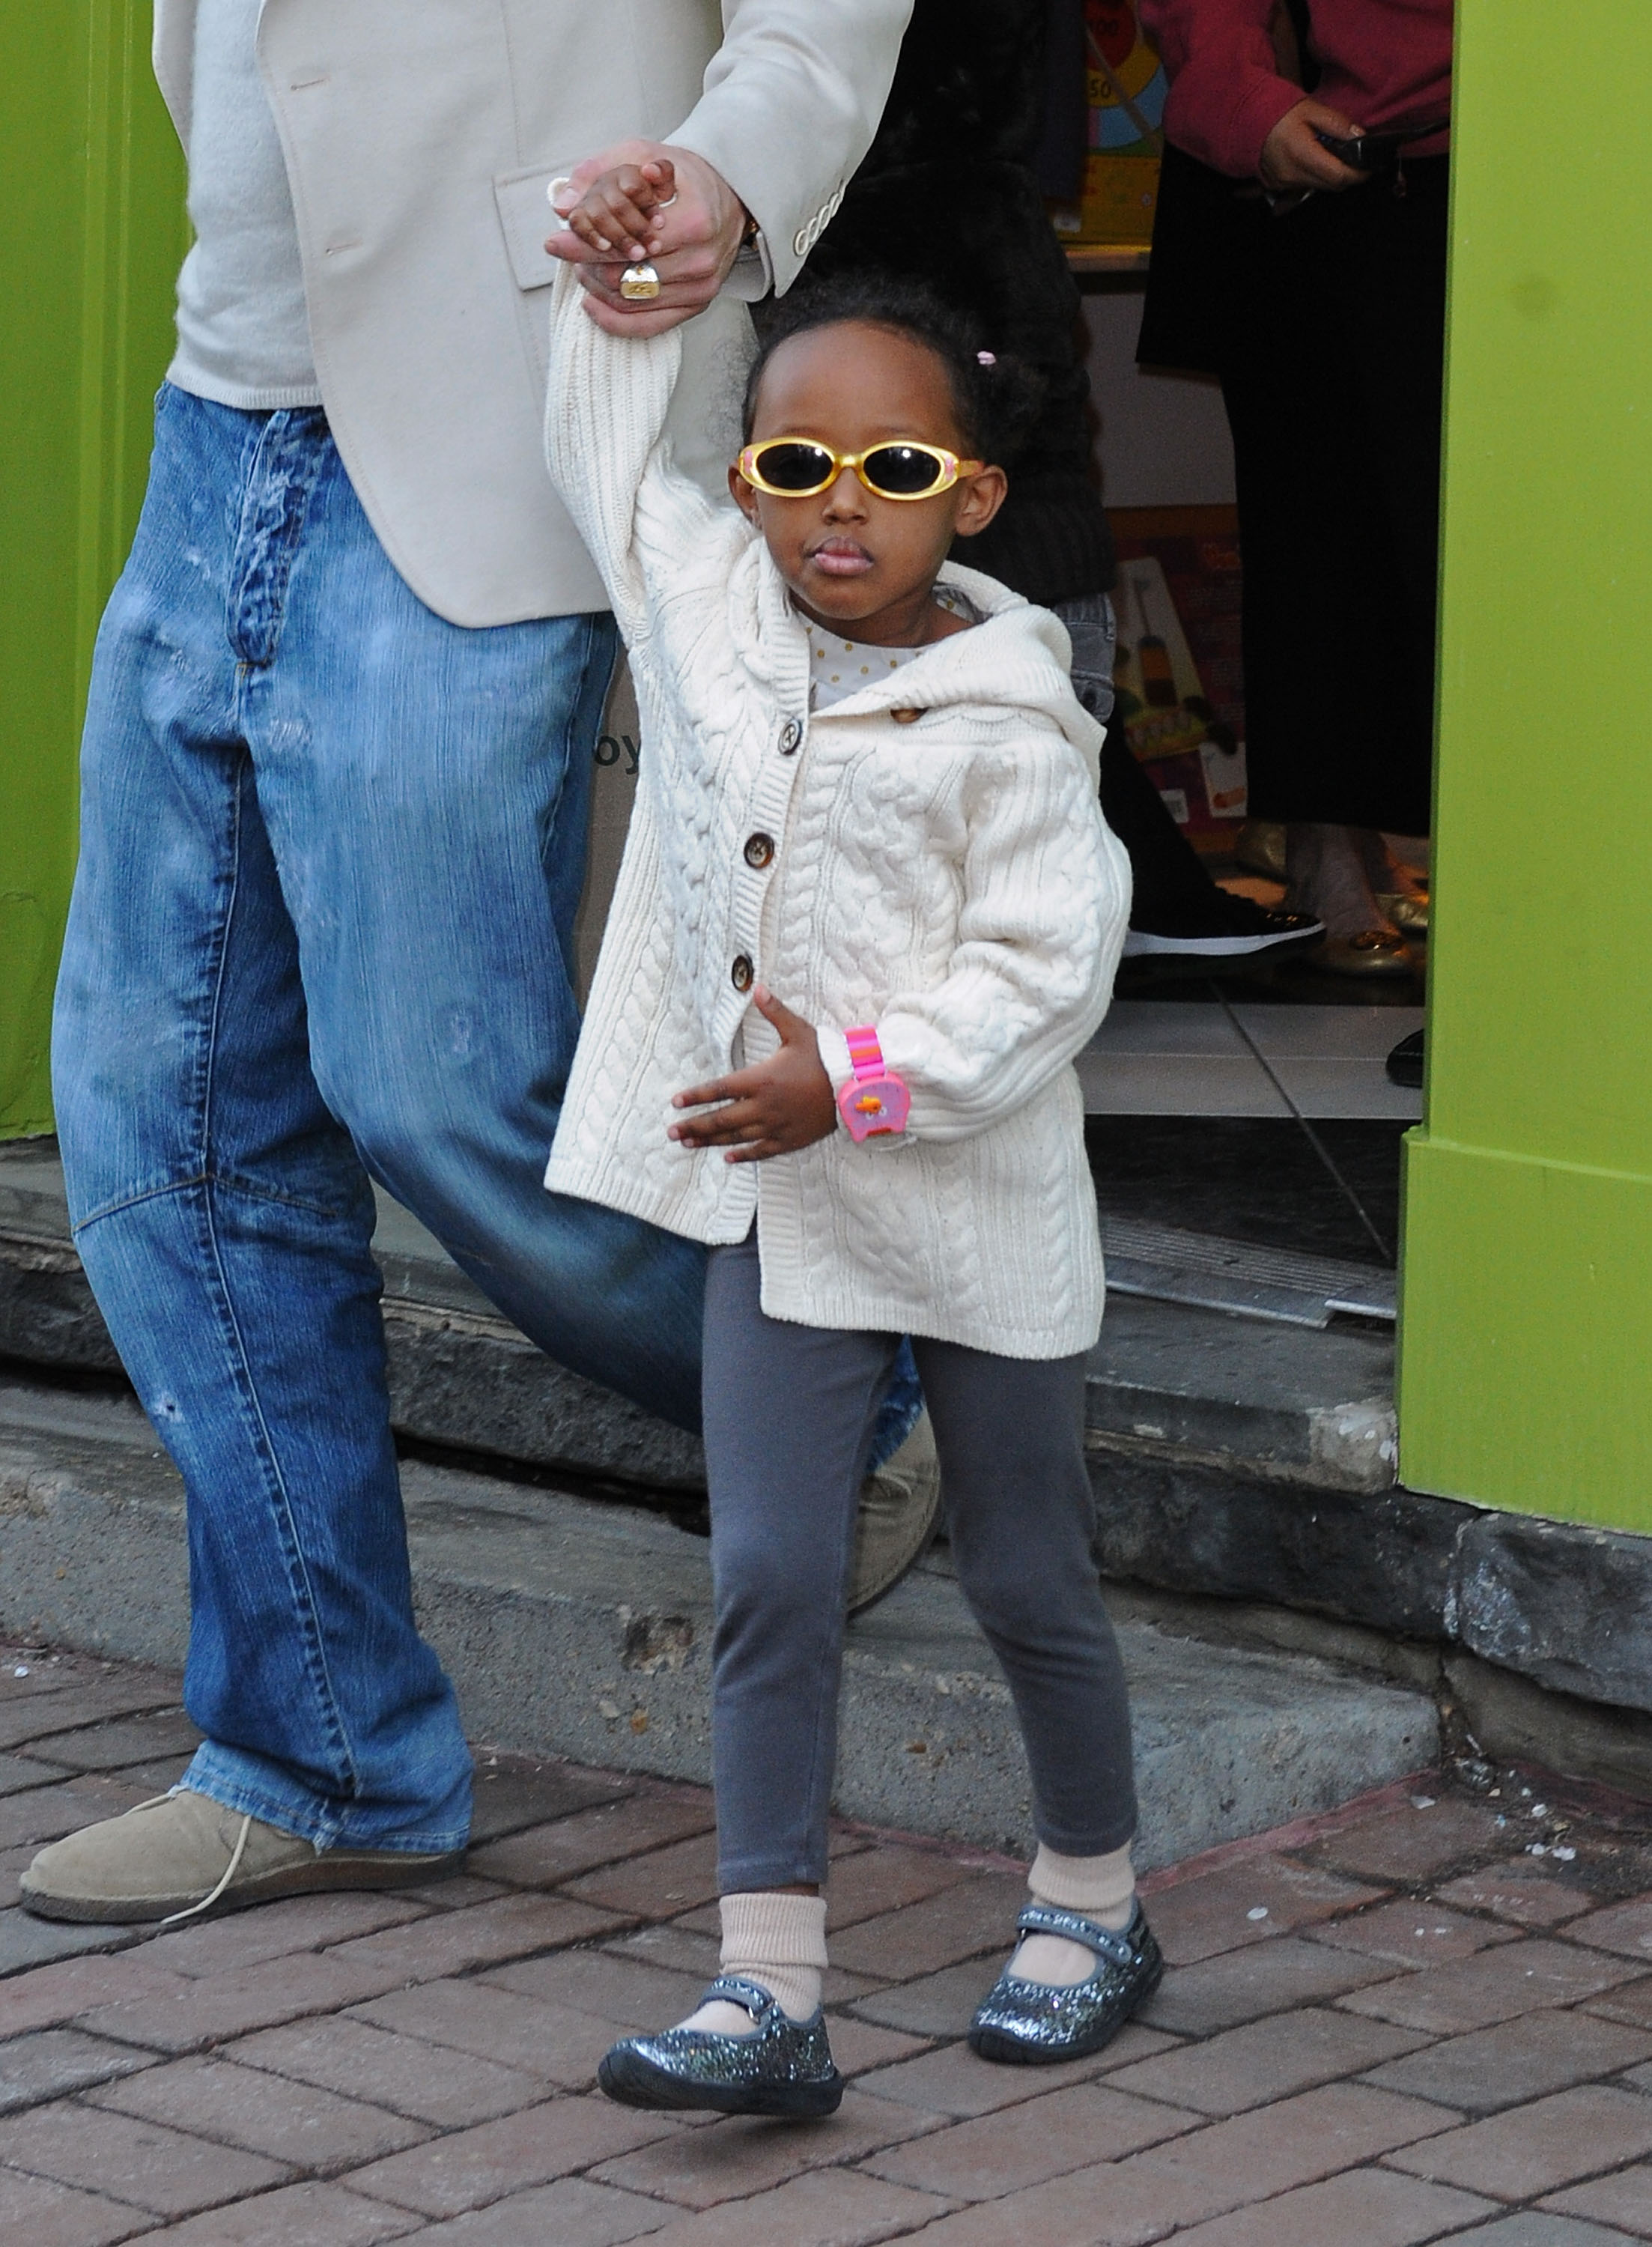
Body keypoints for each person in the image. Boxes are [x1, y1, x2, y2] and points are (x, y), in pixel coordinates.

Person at [20, 0, 915, 1930]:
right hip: (223, 413)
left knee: (439, 1078)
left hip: (506, 393)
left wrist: (734, 170)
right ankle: (319, 1746)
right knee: (155, 1116)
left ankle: (868, 1386)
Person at [541, 164, 1161, 2119]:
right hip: (781, 1218)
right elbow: (603, 443)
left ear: (969, 497)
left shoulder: (1010, 722)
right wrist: (630, 278)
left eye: (887, 468)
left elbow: (1039, 982)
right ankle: (766, 1986)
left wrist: (855, 1075)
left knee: (1024, 1573)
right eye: (789, 461)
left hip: (971, 1215)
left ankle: (1089, 1900)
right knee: (774, 1574)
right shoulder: (714, 619)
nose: (833, 504)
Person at [805, 0, 1322, 962]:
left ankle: (1059, 916)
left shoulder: (933, 201)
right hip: (902, 220)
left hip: (995, 530)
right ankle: (1062, 915)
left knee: (1010, 732)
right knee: (990, 742)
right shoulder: (954, 203)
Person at [1141, 0, 1451, 979]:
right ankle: (1327, 834)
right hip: (1360, 150)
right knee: (1330, 514)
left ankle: (1419, 844)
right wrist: (1241, 96)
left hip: (1576, 143)